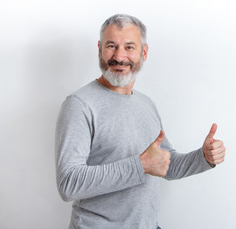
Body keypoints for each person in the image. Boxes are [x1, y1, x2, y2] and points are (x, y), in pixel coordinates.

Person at [55, 14, 226, 229]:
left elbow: (165, 164)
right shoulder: (79, 105)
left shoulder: (146, 104)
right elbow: (68, 183)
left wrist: (204, 157)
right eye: (111, 46)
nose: (119, 56)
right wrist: (140, 165)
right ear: (99, 49)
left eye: (129, 47)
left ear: (143, 53)